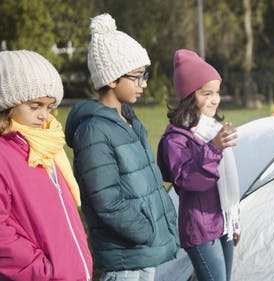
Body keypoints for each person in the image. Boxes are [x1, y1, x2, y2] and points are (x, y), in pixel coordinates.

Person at [64, 14, 179, 281]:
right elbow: (106, 201)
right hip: (125, 259)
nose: (144, 84)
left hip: (141, 252)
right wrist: (145, 230)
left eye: (145, 76)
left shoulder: (128, 119)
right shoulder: (93, 131)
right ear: (113, 78)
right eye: (137, 77)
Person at [0, 50, 93, 280]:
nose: (44, 116)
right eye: (35, 106)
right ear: (7, 103)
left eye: (49, 107)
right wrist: (42, 270)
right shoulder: (4, 155)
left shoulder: (47, 145)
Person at [157, 49, 241, 281]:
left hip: (222, 222)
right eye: (207, 93)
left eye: (217, 92)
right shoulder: (175, 138)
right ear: (189, 96)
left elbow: (227, 184)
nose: (215, 99)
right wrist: (214, 149)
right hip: (200, 228)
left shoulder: (211, 129)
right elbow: (187, 179)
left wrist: (234, 221)